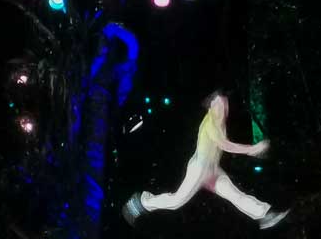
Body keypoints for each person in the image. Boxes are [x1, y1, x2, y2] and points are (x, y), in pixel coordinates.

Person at [122, 92, 289, 229]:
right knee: (176, 201)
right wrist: (251, 149)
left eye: (225, 103)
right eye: (219, 103)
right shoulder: (210, 122)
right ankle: (144, 201)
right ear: (211, 105)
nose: (224, 107)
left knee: (236, 195)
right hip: (200, 168)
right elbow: (223, 144)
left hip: (213, 170)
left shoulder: (219, 121)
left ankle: (264, 215)